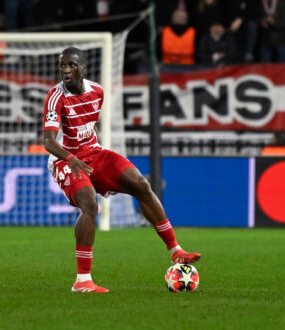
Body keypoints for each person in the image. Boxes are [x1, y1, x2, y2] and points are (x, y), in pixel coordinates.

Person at [42, 47, 201, 293]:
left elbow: (89, 129)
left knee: (140, 184)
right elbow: (49, 142)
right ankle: (82, 281)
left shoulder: (98, 92)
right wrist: (71, 157)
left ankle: (175, 250)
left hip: (94, 153)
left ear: (83, 68)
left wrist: (103, 173)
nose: (65, 70)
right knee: (89, 203)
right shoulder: (55, 97)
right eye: (62, 65)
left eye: (71, 65)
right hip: (65, 160)